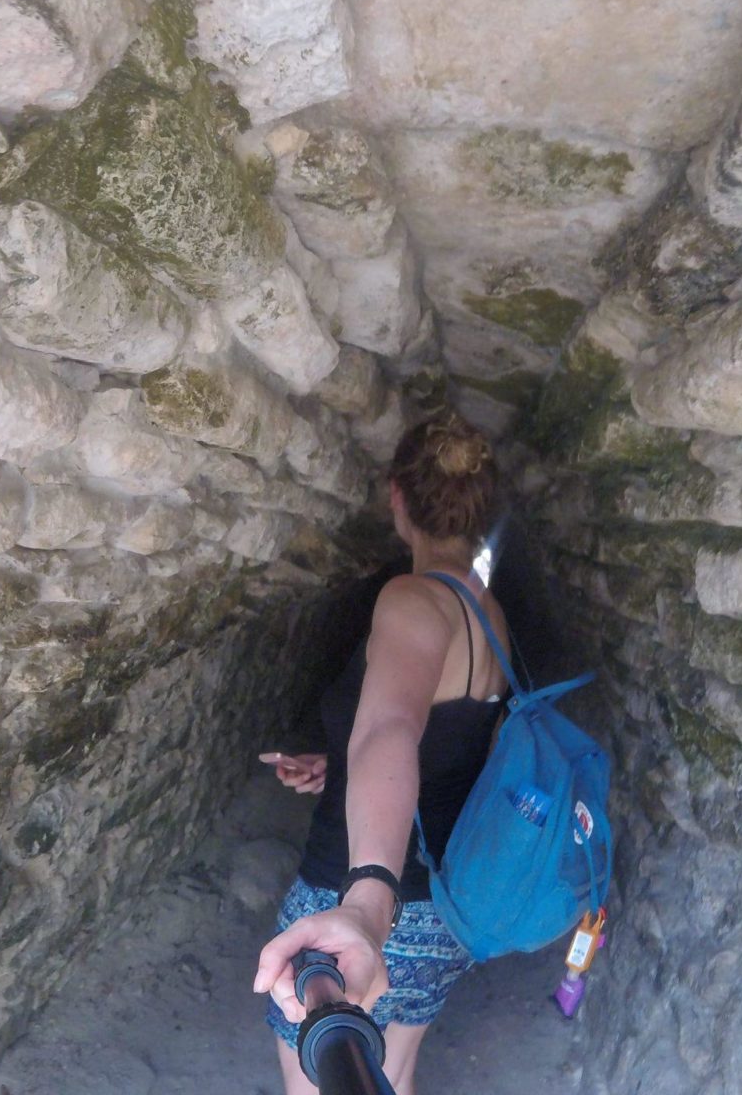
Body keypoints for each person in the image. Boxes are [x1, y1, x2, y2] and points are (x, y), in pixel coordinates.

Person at [254, 411, 509, 1095]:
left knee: (323, 1072)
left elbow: (390, 730)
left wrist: (366, 907)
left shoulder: (411, 601)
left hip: (361, 891)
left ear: (397, 497)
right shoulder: (489, 614)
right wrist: (337, 766)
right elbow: (443, 743)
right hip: (445, 909)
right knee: (387, 1073)